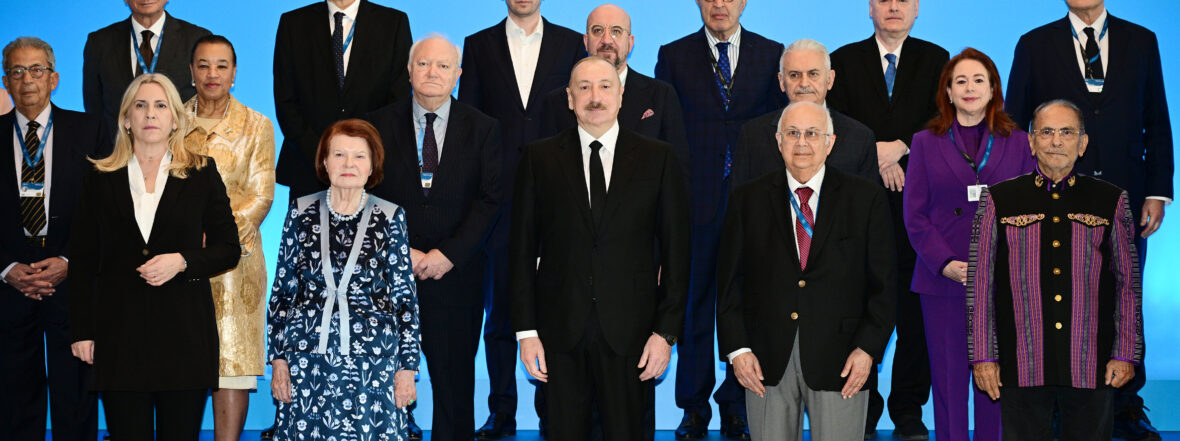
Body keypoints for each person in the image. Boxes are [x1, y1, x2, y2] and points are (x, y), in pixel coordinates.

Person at [1004, 2, 1170, 437]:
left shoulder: (1142, 41)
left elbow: (1157, 118)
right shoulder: (1034, 44)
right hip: (1053, 195)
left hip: (1127, 194)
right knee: (1057, 296)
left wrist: (1157, 191)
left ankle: (1125, 407)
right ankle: (1060, 407)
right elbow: (1015, 125)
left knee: (1125, 294)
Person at [511, 56, 690, 441]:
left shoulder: (658, 158)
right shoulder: (539, 158)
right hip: (559, 335)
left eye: (605, 87)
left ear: (621, 95)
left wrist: (666, 334)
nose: (595, 96)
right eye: (585, 87)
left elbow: (678, 254)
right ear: (570, 98)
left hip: (633, 336)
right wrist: (526, 332)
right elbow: (521, 251)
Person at [67, 73, 240, 439]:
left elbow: (229, 249)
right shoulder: (98, 176)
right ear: (126, 119)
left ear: (175, 119)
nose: (150, 113)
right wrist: (82, 331)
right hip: (118, 339)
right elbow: (82, 260)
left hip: (184, 338)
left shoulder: (201, 172)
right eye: (140, 105)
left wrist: (183, 261)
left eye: (161, 105)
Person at [716, 101, 896, 441]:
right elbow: (728, 285)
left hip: (844, 360)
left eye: (812, 134)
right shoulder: (746, 200)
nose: (802, 143)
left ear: (830, 142)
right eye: (793, 133)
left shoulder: (866, 198)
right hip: (763, 363)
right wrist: (738, 351)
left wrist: (868, 349)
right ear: (778, 141)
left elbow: (884, 285)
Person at [968, 99, 1144, 441]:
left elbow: (1128, 285)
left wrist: (1125, 352)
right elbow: (980, 284)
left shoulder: (1111, 200)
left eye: (1067, 132)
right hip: (1020, 362)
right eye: (1046, 132)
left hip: (1091, 364)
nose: (1056, 141)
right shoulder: (999, 200)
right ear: (1031, 142)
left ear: (1083, 143)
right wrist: (983, 357)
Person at [655, 1, 785, 437]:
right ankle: (693, 407)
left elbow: (778, 127)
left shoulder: (771, 53)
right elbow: (666, 133)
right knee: (693, 304)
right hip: (694, 202)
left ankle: (737, 404)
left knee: (746, 302)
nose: (719, 4)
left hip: (753, 200)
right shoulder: (673, 55)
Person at [457, 2, 585, 436]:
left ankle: (553, 410)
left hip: (559, 193)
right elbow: (468, 122)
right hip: (498, 198)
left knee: (555, 308)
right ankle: (501, 410)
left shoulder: (571, 43)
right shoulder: (478, 45)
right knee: (499, 313)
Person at [366, 35, 502, 441]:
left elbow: (490, 200)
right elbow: (363, 194)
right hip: (388, 274)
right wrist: (398, 249)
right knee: (381, 379)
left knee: (453, 383)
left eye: (443, 66)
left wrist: (449, 254)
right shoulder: (374, 125)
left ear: (457, 75)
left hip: (456, 275)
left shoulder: (483, 128)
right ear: (409, 71)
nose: (432, 73)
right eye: (423, 64)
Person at [902, 48, 1036, 441]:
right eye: (960, 81)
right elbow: (915, 215)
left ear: (993, 89)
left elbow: (1030, 211)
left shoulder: (1019, 142)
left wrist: (1002, 262)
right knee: (948, 382)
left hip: (1002, 281)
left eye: (979, 80)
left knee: (995, 381)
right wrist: (945, 262)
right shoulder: (925, 142)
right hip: (944, 281)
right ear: (947, 91)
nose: (969, 88)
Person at [826, 1, 947, 437]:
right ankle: (864, 405)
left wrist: (902, 147)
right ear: (870, 9)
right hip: (860, 206)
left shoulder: (936, 59)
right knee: (861, 306)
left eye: (902, 0)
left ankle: (908, 409)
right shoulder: (843, 60)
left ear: (916, 9)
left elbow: (944, 118)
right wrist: (875, 152)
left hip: (919, 206)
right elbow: (831, 122)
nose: (893, 6)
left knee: (915, 314)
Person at [267, 118, 420, 441]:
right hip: (307, 362)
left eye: (359, 156)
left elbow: (405, 299)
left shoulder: (390, 216)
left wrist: (407, 367)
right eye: (339, 154)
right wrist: (278, 359)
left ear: (372, 165)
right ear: (324, 161)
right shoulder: (300, 212)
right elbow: (282, 293)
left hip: (374, 364)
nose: (349, 164)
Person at [0, 36, 111, 441]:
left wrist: (69, 261)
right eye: (16, 71)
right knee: (14, 395)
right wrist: (6, 268)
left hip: (72, 275)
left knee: (75, 393)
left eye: (36, 70)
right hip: (10, 279)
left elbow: (107, 209)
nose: (27, 80)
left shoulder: (91, 130)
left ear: (54, 78)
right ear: (6, 82)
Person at [182, 35, 275, 441]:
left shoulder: (257, 125)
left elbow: (261, 196)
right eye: (203, 65)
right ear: (191, 72)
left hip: (236, 262)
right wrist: (188, 238)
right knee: (179, 356)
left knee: (232, 364)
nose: (212, 74)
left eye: (221, 65)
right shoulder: (170, 120)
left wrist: (216, 239)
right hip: (179, 259)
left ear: (234, 73)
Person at [273, 0, 412, 204]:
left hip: (372, 174)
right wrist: (322, 156)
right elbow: (285, 101)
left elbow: (398, 101)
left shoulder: (393, 23)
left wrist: (364, 156)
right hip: (309, 168)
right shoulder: (293, 23)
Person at [543, 4, 689, 178]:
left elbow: (677, 171)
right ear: (586, 41)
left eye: (616, 31)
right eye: (597, 31)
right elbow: (547, 172)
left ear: (630, 42)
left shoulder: (661, 96)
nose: (606, 40)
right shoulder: (557, 101)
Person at [730, 38, 879, 189]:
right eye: (794, 75)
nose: (804, 83)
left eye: (813, 74)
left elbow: (868, 202)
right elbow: (739, 200)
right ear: (781, 81)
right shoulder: (752, 135)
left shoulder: (860, 138)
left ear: (830, 79)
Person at [84, 0, 211, 137]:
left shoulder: (198, 40)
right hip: (118, 147)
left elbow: (208, 102)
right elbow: (94, 108)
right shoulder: (99, 43)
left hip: (181, 146)